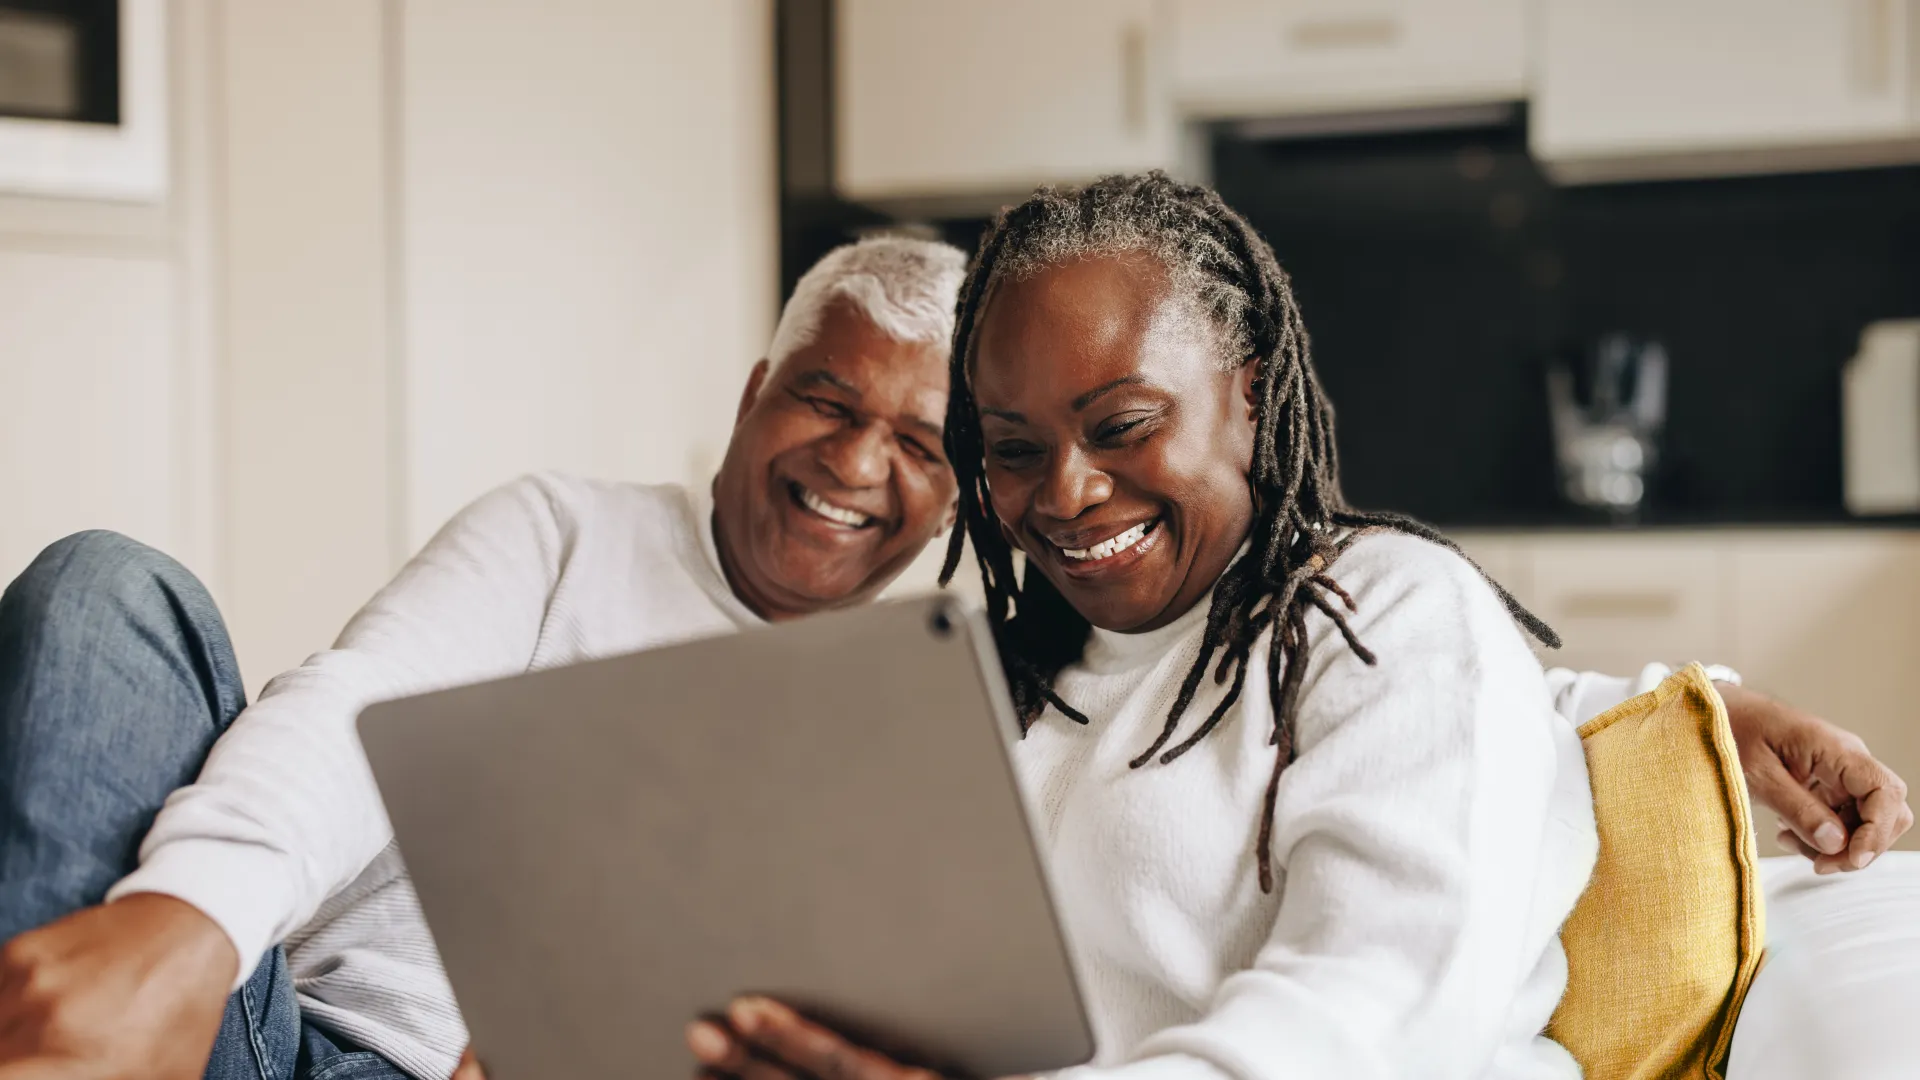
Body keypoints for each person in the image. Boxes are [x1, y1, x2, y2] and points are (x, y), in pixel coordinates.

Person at [0, 230, 1905, 1080]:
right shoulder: (567, 534)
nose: (857, 463)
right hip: (246, 1030)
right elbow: (341, 716)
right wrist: (195, 932)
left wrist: (1685, 718)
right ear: (753, 396)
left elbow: (1355, 668)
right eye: (826, 404)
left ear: (957, 511)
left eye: (929, 446)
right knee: (106, 598)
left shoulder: (975, 658)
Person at [682, 174, 1915, 1080]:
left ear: (1253, 391)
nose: (1062, 494)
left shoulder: (1380, 610)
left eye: (1121, 427)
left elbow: (1380, 1006)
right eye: (1011, 450)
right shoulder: (1000, 673)